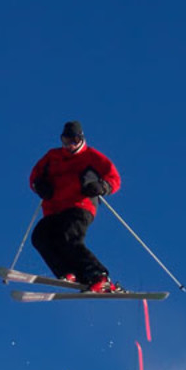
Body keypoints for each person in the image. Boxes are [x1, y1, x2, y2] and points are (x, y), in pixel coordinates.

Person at [29, 121, 122, 293]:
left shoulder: (91, 156)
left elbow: (114, 177)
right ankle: (69, 273)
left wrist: (102, 187)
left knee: (69, 237)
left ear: (82, 138)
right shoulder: (52, 156)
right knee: (40, 237)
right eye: (65, 140)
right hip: (54, 209)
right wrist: (39, 185)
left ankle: (99, 276)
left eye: (74, 140)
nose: (70, 145)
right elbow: (35, 176)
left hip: (80, 205)